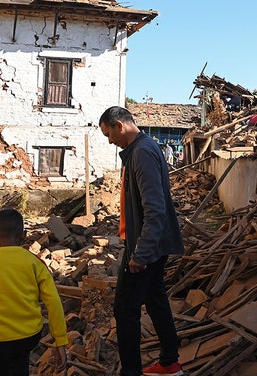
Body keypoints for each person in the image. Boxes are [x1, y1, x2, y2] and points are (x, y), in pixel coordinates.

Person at [99, 106, 185, 376]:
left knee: (125, 309)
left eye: (109, 134)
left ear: (119, 126)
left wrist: (141, 254)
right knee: (155, 297)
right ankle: (170, 362)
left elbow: (155, 209)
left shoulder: (143, 152)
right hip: (148, 243)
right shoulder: (141, 150)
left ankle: (131, 371)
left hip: (146, 246)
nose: (110, 141)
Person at [0, 209, 68, 376]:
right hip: (27, 337)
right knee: (19, 362)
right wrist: (61, 342)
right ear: (23, 235)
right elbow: (54, 303)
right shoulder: (35, 263)